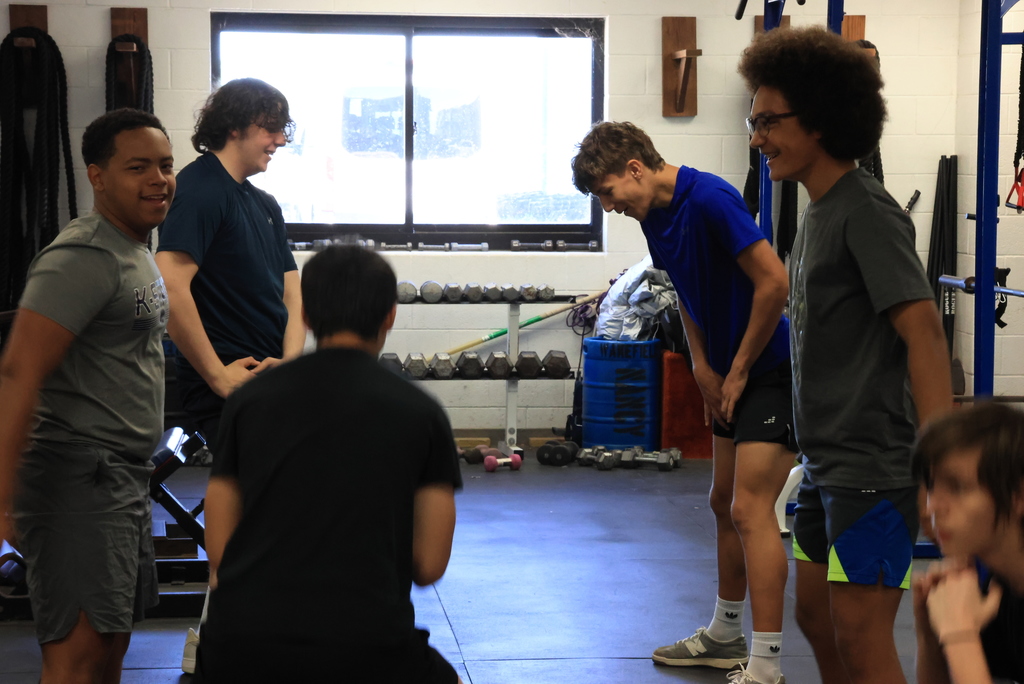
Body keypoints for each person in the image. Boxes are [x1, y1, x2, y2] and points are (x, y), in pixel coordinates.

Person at [738, 26, 952, 684]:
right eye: (755, 121)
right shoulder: (818, 212)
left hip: (874, 468)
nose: (758, 137)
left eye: (769, 121)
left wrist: (943, 463)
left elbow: (924, 333)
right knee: (817, 619)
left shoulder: (867, 212)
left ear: (823, 122)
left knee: (862, 636)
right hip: (825, 463)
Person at [572, 121, 796, 684]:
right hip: (726, 370)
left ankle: (766, 663)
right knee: (723, 502)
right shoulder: (655, 216)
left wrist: (740, 370)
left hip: (768, 368)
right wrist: (702, 367)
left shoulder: (712, 199)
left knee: (750, 509)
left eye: (607, 192)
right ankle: (724, 634)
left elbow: (774, 283)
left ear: (635, 169)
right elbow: (687, 292)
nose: (608, 205)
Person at [192, 245, 463, 683]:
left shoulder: (248, 401)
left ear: (307, 317)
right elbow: (429, 564)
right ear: (390, 316)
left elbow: (221, 552)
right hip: (365, 652)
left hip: (239, 651)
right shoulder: (421, 411)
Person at [0, 109, 174, 684]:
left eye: (166, 165)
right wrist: (2, 501)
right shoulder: (83, 256)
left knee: (107, 649)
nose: (159, 178)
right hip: (77, 477)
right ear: (97, 176)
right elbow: (18, 372)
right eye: (139, 167)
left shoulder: (135, 248)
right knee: (76, 660)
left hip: (122, 477)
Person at [155, 77, 304, 455]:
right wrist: (218, 377)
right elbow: (170, 286)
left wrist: (288, 364)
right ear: (234, 126)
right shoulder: (200, 189)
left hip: (270, 380)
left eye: (282, 130)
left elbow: (292, 293)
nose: (281, 141)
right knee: (268, 498)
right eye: (271, 129)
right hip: (227, 383)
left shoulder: (265, 204)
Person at [912, 403, 1024, 684]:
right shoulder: (1005, 588)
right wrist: (931, 636)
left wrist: (959, 633)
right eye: (932, 485)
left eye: (958, 487)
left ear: (1018, 496)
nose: (932, 507)